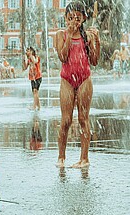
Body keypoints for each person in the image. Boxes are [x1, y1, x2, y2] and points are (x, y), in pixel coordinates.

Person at [55, 1, 100, 168]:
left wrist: (97, 41)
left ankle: (84, 159)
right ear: (66, 18)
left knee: (83, 118)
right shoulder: (61, 34)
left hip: (84, 79)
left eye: (77, 18)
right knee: (66, 120)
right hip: (67, 79)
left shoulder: (87, 36)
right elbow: (63, 57)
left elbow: (94, 61)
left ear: (83, 18)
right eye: (70, 18)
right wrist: (69, 33)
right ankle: (61, 157)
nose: (74, 21)